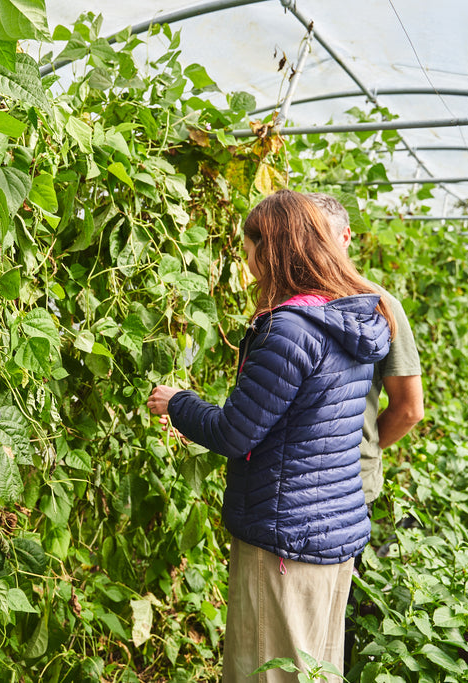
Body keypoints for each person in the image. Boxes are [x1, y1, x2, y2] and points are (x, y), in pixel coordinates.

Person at [147, 189, 393, 683]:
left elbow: (235, 432)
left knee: (267, 671)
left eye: (251, 250)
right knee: (317, 670)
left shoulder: (291, 329)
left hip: (285, 540)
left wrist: (176, 402)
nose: (249, 263)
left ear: (275, 248)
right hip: (332, 532)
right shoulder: (354, 318)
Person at [304, 192, 424, 669]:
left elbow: (409, 409)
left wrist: (357, 446)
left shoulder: (380, 305)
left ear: (346, 237)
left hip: (349, 484)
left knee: (337, 608)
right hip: (295, 484)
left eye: (323, 236)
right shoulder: (294, 301)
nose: (314, 249)